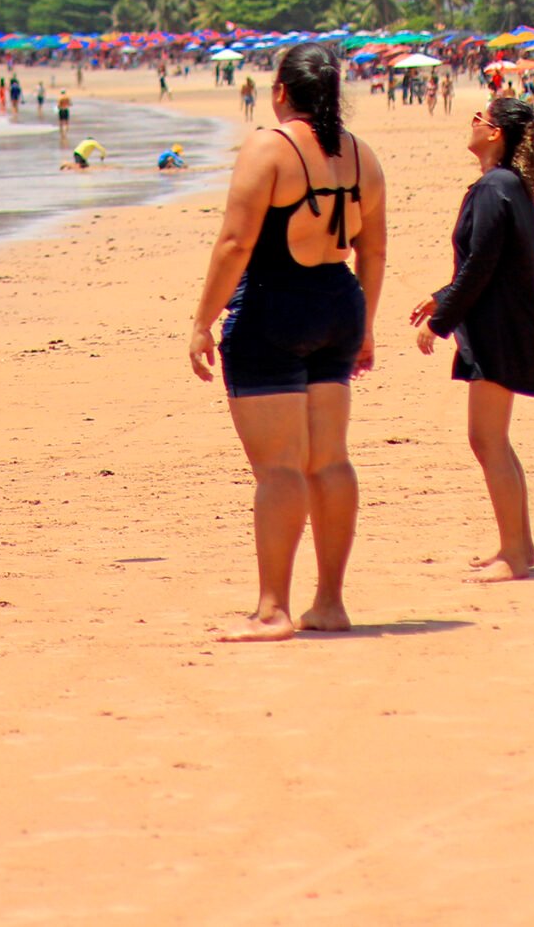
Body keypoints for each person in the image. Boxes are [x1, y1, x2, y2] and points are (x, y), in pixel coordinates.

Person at [186, 43, 389, 641]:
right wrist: (367, 325)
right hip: (339, 303)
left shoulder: (269, 147)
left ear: (281, 92)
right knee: (329, 459)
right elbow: (373, 250)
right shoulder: (361, 156)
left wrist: (202, 320)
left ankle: (273, 608)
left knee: (278, 470)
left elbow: (234, 244)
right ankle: (329, 601)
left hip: (276, 305)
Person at [408, 96, 534, 583]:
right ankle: (521, 544)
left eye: (479, 118)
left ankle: (514, 553)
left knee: (486, 438)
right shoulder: (504, 185)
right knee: (493, 439)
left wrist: (442, 319)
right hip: (504, 323)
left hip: (500, 327)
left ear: (495, 134)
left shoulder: (497, 186)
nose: (471, 123)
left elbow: (483, 264)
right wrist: (441, 297)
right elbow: (487, 261)